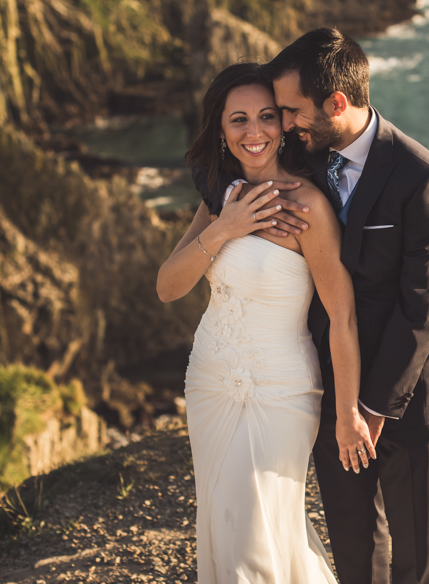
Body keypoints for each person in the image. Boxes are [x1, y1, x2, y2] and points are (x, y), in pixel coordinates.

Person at [195, 28, 429, 584]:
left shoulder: (423, 179)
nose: (283, 124)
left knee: (414, 559)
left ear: (336, 104)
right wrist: (224, 215)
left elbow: (422, 313)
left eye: (290, 111)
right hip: (322, 386)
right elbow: (225, 161)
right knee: (354, 549)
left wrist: (370, 409)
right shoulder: (302, 156)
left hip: (402, 398)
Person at [156, 62, 376, 584]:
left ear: (283, 125)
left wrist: (348, 412)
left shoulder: (308, 207)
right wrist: (227, 226)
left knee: (251, 539)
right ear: (222, 131)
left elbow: (343, 315)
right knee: (229, 525)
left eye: (266, 117)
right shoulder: (220, 199)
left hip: (279, 392)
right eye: (238, 120)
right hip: (210, 381)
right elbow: (168, 287)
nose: (253, 132)